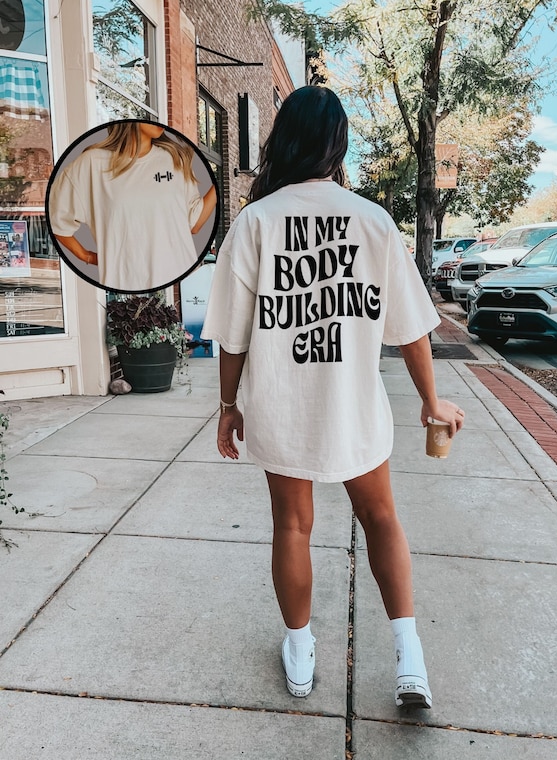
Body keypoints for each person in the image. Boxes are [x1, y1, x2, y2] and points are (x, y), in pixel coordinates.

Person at [201, 86, 465, 707]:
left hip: (281, 406)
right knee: (382, 519)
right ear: (338, 145)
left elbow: (232, 337)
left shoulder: (256, 222)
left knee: (292, 526)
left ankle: (299, 653)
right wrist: (431, 401)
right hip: (354, 409)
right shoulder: (373, 221)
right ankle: (409, 660)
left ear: (284, 140)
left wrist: (229, 407)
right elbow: (413, 329)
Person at [49, 122, 217, 292]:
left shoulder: (175, 159)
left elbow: (194, 224)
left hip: (184, 279)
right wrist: (86, 256)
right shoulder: (92, 163)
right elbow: (57, 219)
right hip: (125, 284)